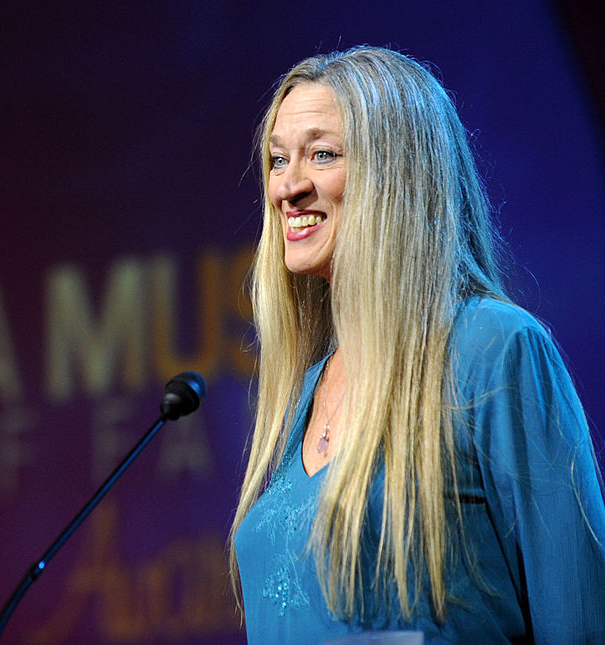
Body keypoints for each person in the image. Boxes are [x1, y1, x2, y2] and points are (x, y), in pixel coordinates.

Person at [229, 46, 605, 643]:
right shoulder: (306, 391)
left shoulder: (490, 349)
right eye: (278, 160)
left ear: (396, 174)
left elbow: (578, 618)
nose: (288, 187)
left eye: (322, 154)